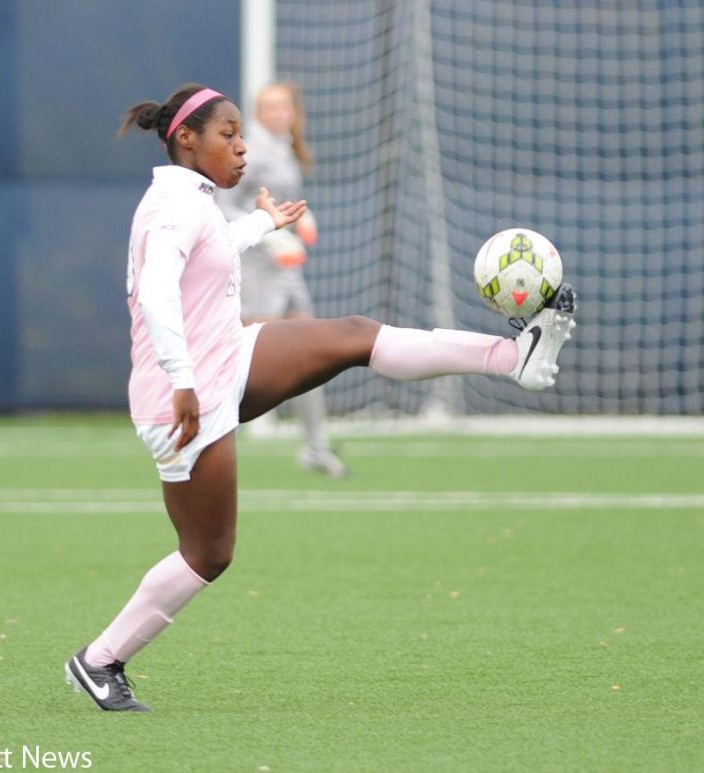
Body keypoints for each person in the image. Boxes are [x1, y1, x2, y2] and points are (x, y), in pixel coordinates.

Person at [64, 83, 576, 712]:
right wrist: (181, 379)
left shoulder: (189, 199)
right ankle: (99, 660)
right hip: (181, 396)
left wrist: (259, 224)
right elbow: (157, 296)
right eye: (228, 134)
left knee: (352, 335)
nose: (242, 145)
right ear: (186, 140)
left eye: (240, 133)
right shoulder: (171, 208)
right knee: (209, 553)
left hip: (222, 359)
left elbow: (213, 249)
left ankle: (511, 358)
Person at [216, 82, 347, 476]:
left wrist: (301, 219)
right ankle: (212, 438)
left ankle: (316, 447)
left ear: (293, 112)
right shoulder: (250, 151)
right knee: (243, 358)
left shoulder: (287, 149)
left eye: (282, 106)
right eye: (267, 106)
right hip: (256, 270)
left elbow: (280, 203)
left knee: (311, 354)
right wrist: (269, 239)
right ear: (258, 112)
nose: (275, 113)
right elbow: (227, 203)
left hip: (287, 274)